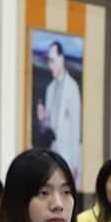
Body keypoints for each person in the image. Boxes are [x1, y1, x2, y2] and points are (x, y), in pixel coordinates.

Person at [39, 41, 82, 181]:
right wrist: (42, 119)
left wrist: (75, 162)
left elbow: (75, 127)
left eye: (52, 61)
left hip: (67, 153)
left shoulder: (72, 87)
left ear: (61, 58)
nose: (50, 65)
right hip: (52, 152)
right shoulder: (50, 88)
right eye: (48, 61)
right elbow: (48, 126)